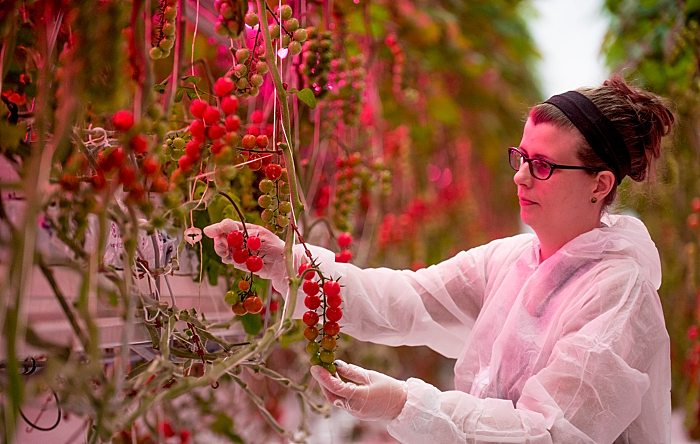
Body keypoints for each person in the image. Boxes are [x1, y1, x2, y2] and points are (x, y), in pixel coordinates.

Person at [203, 76, 676, 443]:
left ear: (601, 184)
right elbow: (407, 300)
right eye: (521, 157)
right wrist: (289, 263)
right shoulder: (511, 261)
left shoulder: (619, 293)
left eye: (544, 166)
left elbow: (549, 433)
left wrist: (407, 404)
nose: (522, 178)